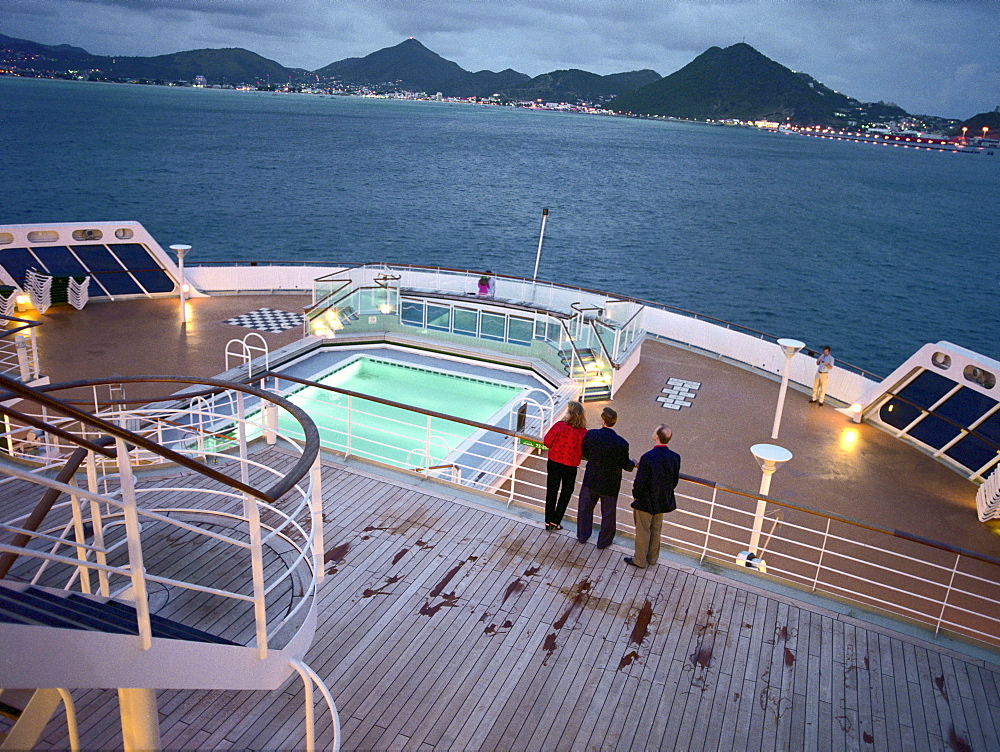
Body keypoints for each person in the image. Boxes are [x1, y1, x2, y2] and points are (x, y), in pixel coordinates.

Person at [577, 407, 635, 549]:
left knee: (585, 509)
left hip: (591, 479)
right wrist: (633, 463)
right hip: (610, 484)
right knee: (608, 515)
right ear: (614, 422)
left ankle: (583, 536)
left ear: (603, 421)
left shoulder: (591, 435)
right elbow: (625, 465)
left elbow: (585, 452)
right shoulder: (622, 443)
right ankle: (604, 541)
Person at [625, 425, 680, 569]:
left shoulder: (647, 457)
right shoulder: (675, 457)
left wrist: (636, 496)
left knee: (643, 531)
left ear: (657, 436)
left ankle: (639, 560)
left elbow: (640, 482)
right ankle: (653, 558)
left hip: (645, 501)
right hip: (662, 500)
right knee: (656, 530)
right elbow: (674, 481)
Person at [542, 401, 587, 531]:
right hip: (570, 466)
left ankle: (547, 521)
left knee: (552, 490)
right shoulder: (583, 433)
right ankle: (556, 521)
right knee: (566, 492)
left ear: (569, 413)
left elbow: (547, 442)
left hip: (554, 462)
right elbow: (585, 450)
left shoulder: (560, 426)